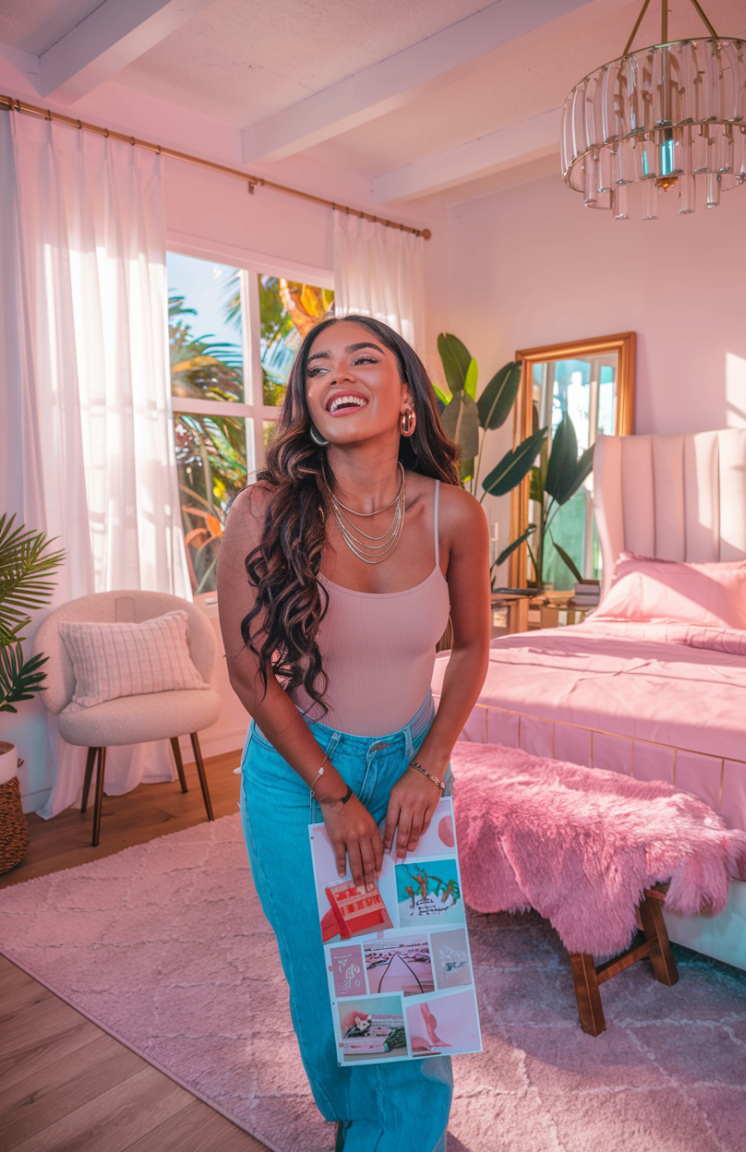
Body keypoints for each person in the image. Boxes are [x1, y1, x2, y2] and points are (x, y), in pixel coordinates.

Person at [217, 315, 490, 1151]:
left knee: (404, 989)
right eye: (318, 366)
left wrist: (428, 768)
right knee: (321, 975)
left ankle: (390, 1133)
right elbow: (248, 672)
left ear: (406, 395)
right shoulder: (262, 510)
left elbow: (475, 646)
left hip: (408, 765)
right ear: (306, 402)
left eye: (364, 358)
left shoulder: (455, 515)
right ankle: (348, 1109)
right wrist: (332, 792)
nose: (338, 373)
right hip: (294, 777)